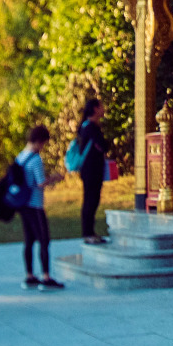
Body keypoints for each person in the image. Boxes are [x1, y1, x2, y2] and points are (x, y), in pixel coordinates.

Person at [15, 125, 64, 290]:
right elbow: (41, 182)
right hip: (35, 204)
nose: (43, 147)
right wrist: (55, 178)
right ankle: (46, 277)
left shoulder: (20, 157)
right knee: (44, 240)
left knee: (28, 240)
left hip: (23, 204)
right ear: (39, 141)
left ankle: (29, 275)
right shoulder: (35, 159)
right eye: (43, 143)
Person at [74, 98, 111, 244]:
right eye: (101, 106)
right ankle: (87, 233)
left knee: (92, 199)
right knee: (91, 200)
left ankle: (90, 232)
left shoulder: (86, 127)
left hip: (91, 170)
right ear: (95, 109)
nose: (103, 109)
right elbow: (103, 145)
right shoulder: (90, 128)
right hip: (91, 170)